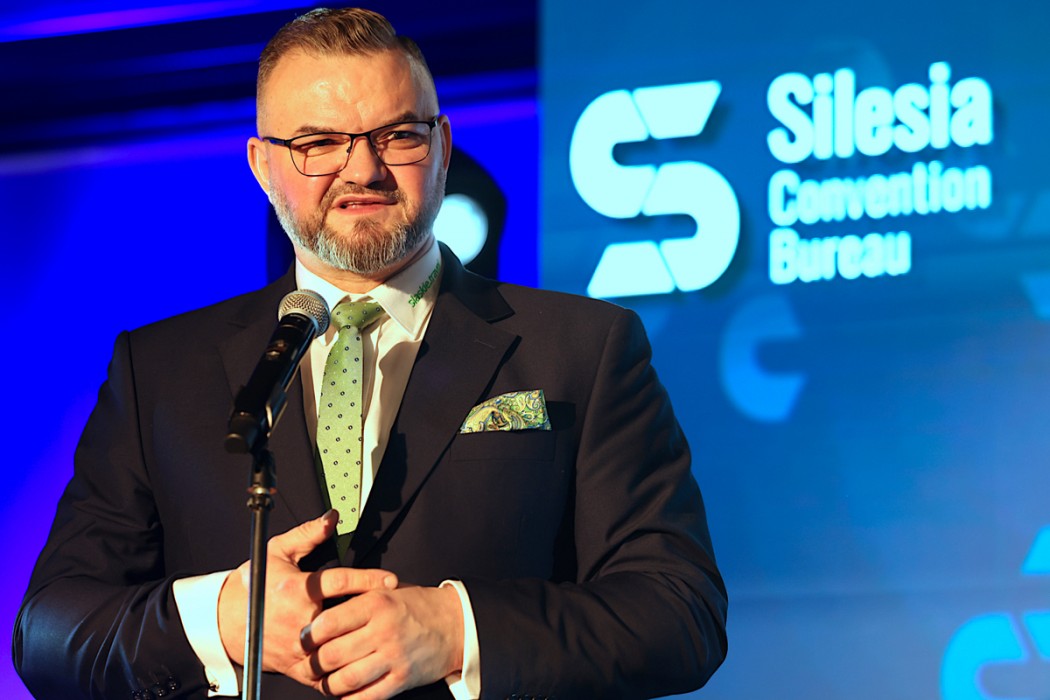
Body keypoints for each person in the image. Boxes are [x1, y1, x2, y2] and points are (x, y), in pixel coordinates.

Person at [13, 7, 727, 700]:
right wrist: (225, 618)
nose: (363, 169)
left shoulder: (584, 348)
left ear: (442, 145)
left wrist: (455, 630)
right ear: (263, 165)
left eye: (397, 136)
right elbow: (49, 635)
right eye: (319, 142)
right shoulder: (159, 371)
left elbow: (680, 612)